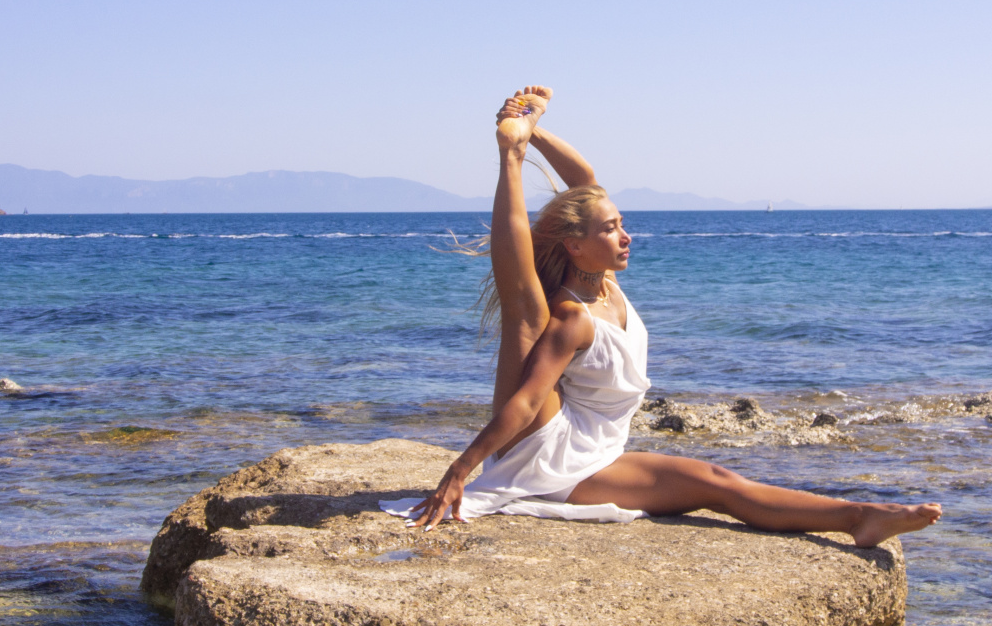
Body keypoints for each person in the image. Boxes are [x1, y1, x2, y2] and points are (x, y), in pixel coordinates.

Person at [382, 87, 942, 547]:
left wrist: (534, 127)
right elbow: (526, 400)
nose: (626, 236)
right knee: (713, 482)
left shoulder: (608, 285)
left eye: (621, 223)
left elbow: (585, 182)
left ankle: (858, 514)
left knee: (714, 482)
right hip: (551, 455)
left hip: (597, 441)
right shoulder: (568, 315)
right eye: (610, 229)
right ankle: (858, 516)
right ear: (574, 246)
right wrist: (460, 472)